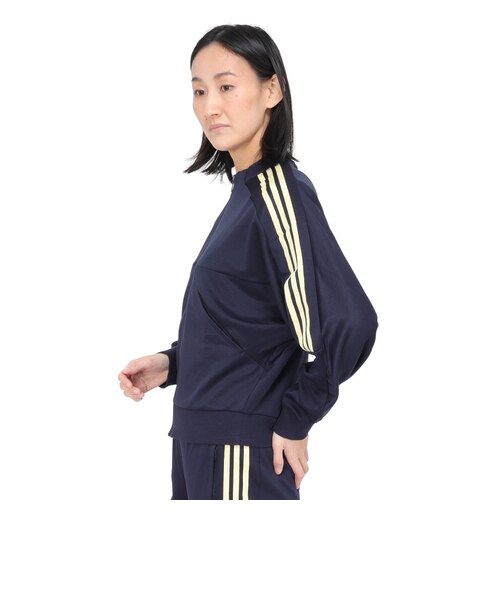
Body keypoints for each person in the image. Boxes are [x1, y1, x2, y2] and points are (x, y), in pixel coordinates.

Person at [117, 24, 379, 500]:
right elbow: (247, 324)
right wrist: (173, 364)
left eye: (226, 86)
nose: (210, 107)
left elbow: (350, 322)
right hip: (201, 441)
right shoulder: (247, 194)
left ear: (272, 90)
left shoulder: (279, 193)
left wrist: (298, 418)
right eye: (199, 91)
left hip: (238, 450)